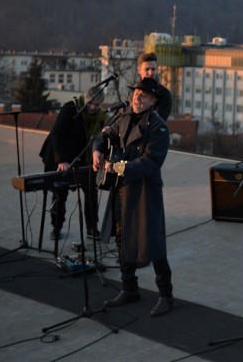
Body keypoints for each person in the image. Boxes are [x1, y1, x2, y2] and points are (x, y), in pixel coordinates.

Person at [92, 77, 174, 317]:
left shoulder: (158, 127)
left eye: (143, 94)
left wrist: (117, 168)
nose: (137, 96)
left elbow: (151, 162)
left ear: (153, 100)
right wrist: (97, 150)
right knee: (121, 237)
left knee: (154, 243)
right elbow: (105, 135)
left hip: (145, 191)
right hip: (122, 188)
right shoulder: (123, 116)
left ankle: (166, 295)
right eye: (136, 92)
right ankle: (129, 288)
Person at [39, 87, 107, 241]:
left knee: (91, 189)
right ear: (85, 99)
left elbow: (99, 138)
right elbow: (58, 133)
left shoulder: (100, 116)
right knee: (60, 192)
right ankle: (56, 228)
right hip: (60, 155)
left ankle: (91, 228)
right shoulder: (70, 108)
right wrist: (61, 159)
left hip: (84, 157)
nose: (93, 108)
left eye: (97, 105)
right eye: (91, 103)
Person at [136, 52, 172, 122]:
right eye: (147, 69)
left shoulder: (164, 94)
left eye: (153, 69)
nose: (150, 73)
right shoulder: (134, 91)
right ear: (139, 70)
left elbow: (157, 122)